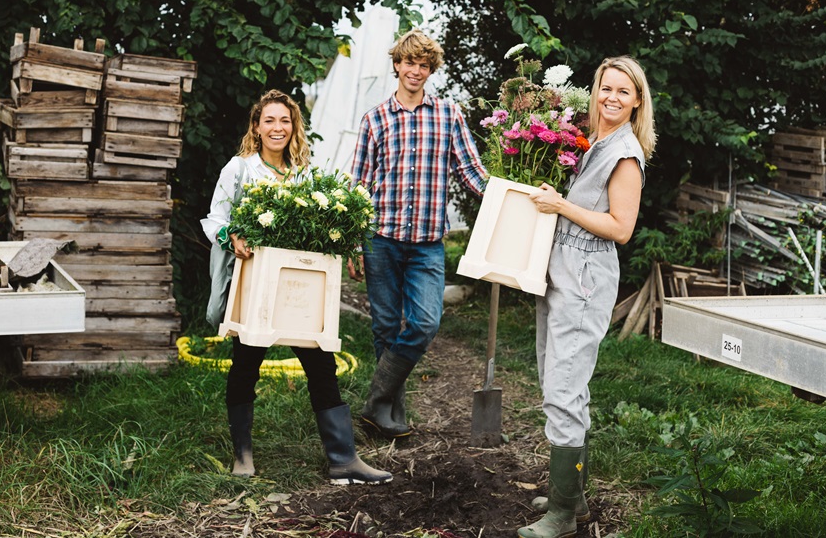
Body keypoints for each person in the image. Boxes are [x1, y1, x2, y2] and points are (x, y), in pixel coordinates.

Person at [201, 89, 392, 485]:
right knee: (246, 365)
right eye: (269, 120)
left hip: (298, 286)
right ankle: (243, 456)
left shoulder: (304, 174)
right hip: (256, 285)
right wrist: (231, 235)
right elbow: (214, 218)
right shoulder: (240, 169)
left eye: (284, 121)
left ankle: (344, 458)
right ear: (256, 126)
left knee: (320, 363)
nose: (277, 128)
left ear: (294, 127)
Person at [518, 56, 657, 538]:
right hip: (563, 273)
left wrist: (561, 205)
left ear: (637, 101)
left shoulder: (625, 154)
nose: (612, 98)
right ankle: (571, 496)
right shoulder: (596, 142)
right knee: (558, 380)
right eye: (606, 88)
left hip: (585, 280)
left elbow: (621, 228)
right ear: (595, 91)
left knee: (564, 389)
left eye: (624, 91)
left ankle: (561, 516)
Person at [347, 29, 487, 439]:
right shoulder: (375, 119)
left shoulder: (448, 115)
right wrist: (355, 241)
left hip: (427, 242)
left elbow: (472, 172)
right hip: (381, 238)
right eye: (409, 62)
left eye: (423, 65)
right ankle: (390, 416)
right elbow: (359, 185)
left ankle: (375, 402)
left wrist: (514, 197)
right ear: (397, 65)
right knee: (386, 328)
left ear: (430, 70)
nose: (415, 70)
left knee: (424, 323)